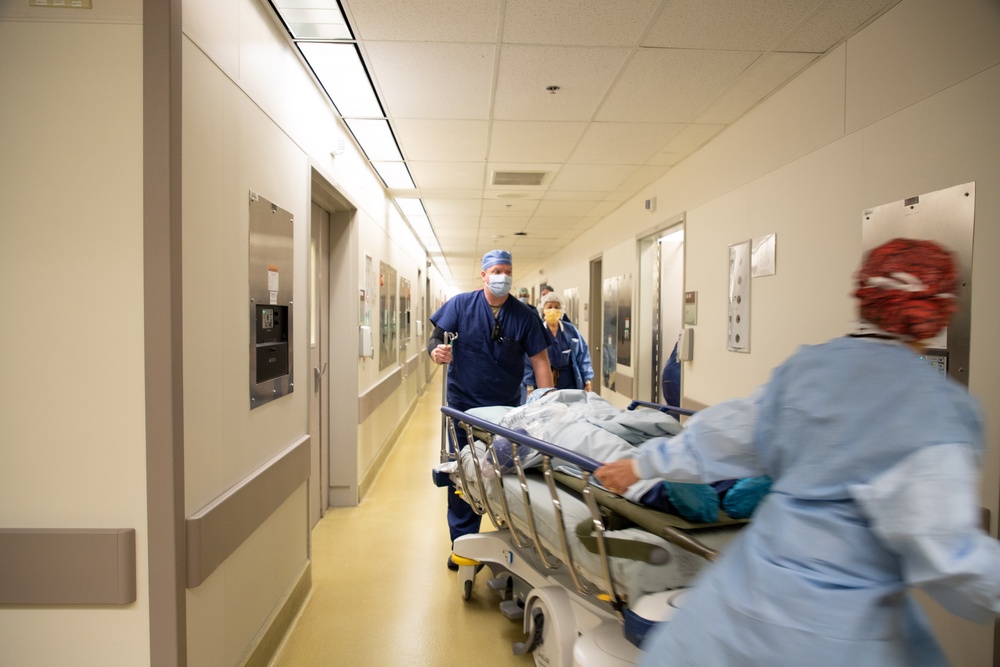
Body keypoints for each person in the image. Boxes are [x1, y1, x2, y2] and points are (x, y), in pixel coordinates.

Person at [596, 238, 999, 666]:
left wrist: (643, 464)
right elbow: (948, 555)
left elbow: (725, 435)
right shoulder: (936, 409)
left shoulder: (808, 369)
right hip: (837, 631)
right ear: (938, 312)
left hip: (745, 597)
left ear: (863, 296)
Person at [428, 249, 554, 569]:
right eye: (496, 271)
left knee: (504, 475)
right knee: (463, 474)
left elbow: (540, 362)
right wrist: (436, 352)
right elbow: (435, 338)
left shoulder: (524, 316)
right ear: (483, 275)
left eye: (507, 271)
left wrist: (545, 404)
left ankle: (508, 543)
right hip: (463, 408)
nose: (503, 277)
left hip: (504, 412)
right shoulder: (460, 306)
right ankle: (463, 544)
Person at [523, 291, 594, 395]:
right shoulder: (537, 330)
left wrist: (587, 380)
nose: (553, 310)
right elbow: (528, 359)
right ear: (543, 310)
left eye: (557, 307)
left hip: (570, 382)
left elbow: (582, 355)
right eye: (549, 307)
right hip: (544, 380)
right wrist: (529, 386)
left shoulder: (571, 330)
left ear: (562, 310)